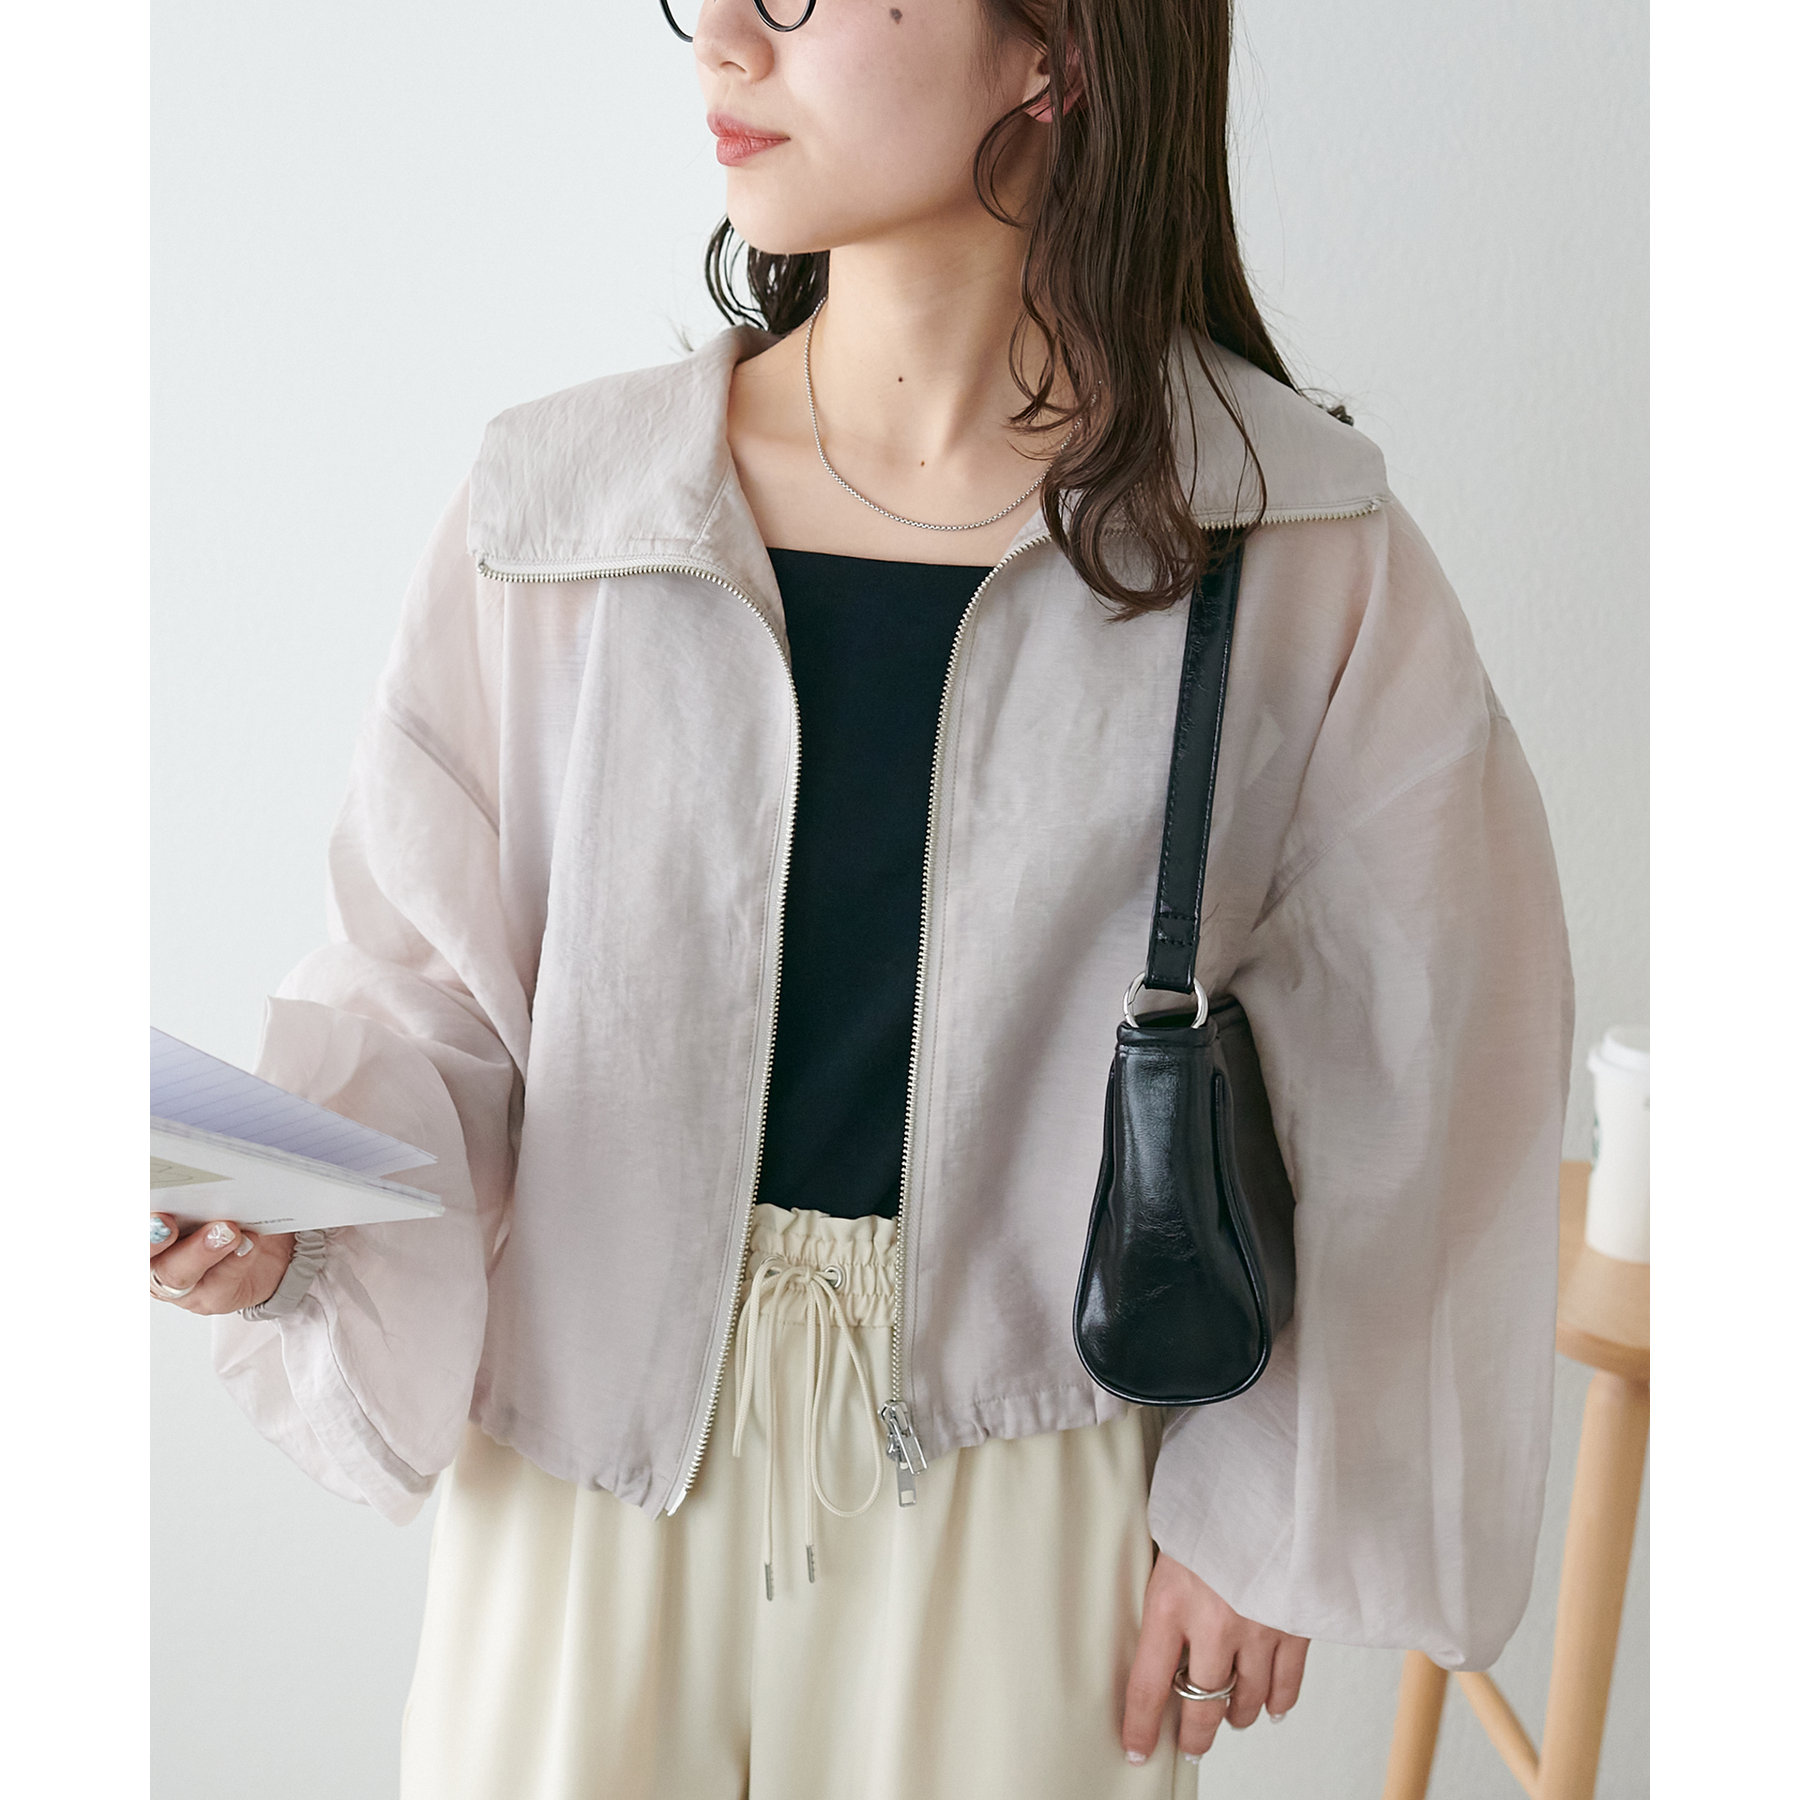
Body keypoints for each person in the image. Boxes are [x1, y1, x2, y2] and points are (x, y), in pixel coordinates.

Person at [148, 0, 1576, 1793]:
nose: (726, 41)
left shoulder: (1283, 541)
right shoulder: (569, 511)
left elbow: (1430, 1065)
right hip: (590, 1468)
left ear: (1056, 51)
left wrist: (1271, 1508)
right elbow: (435, 1005)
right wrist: (291, 1221)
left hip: (1024, 1486)